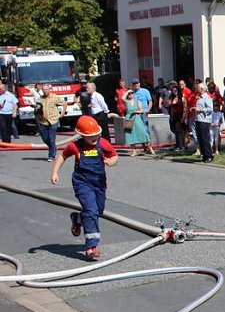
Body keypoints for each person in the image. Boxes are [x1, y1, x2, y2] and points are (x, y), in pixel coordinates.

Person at [50, 116, 118, 261]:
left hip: (99, 183)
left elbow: (114, 155)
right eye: (90, 136)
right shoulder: (75, 146)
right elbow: (62, 155)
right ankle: (91, 247)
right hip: (82, 182)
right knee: (91, 210)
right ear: (82, 135)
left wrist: (110, 162)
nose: (94, 138)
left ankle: (78, 219)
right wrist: (55, 172)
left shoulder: (103, 143)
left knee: (97, 211)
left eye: (96, 135)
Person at [37, 84, 66, 161]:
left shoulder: (55, 97)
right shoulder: (40, 99)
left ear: (50, 90)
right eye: (43, 89)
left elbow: (64, 103)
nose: (45, 91)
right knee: (45, 138)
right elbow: (37, 109)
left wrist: (62, 114)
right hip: (43, 121)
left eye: (46, 89)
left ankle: (52, 156)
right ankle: (53, 148)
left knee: (51, 138)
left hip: (53, 120)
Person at [123, 89, 154, 156]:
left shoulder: (137, 101)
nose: (130, 94)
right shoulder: (126, 102)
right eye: (129, 93)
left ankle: (149, 147)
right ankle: (134, 151)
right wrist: (127, 91)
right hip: (129, 118)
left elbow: (141, 110)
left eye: (132, 93)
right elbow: (122, 98)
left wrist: (136, 111)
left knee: (143, 132)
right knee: (130, 134)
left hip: (137, 118)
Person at [191, 83, 214, 163]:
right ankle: (204, 155)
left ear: (202, 89)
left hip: (204, 120)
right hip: (198, 119)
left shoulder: (206, 97)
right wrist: (195, 109)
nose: (197, 89)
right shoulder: (199, 97)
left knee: (205, 138)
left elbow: (210, 109)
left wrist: (200, 110)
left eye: (198, 88)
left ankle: (209, 155)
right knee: (200, 138)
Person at [168, 84, 186, 151]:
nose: (174, 91)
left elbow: (185, 107)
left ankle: (182, 146)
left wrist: (184, 117)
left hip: (180, 115)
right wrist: (172, 116)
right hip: (174, 115)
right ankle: (177, 145)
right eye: (173, 90)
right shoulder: (172, 98)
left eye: (176, 90)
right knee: (175, 130)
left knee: (180, 131)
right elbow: (171, 106)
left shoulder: (182, 98)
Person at [208, 81, 224, 155]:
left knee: (217, 136)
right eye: (210, 88)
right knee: (211, 137)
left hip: (217, 120)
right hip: (211, 116)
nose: (211, 89)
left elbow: (222, 101)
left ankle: (217, 148)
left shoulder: (217, 95)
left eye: (212, 88)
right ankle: (211, 148)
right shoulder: (207, 95)